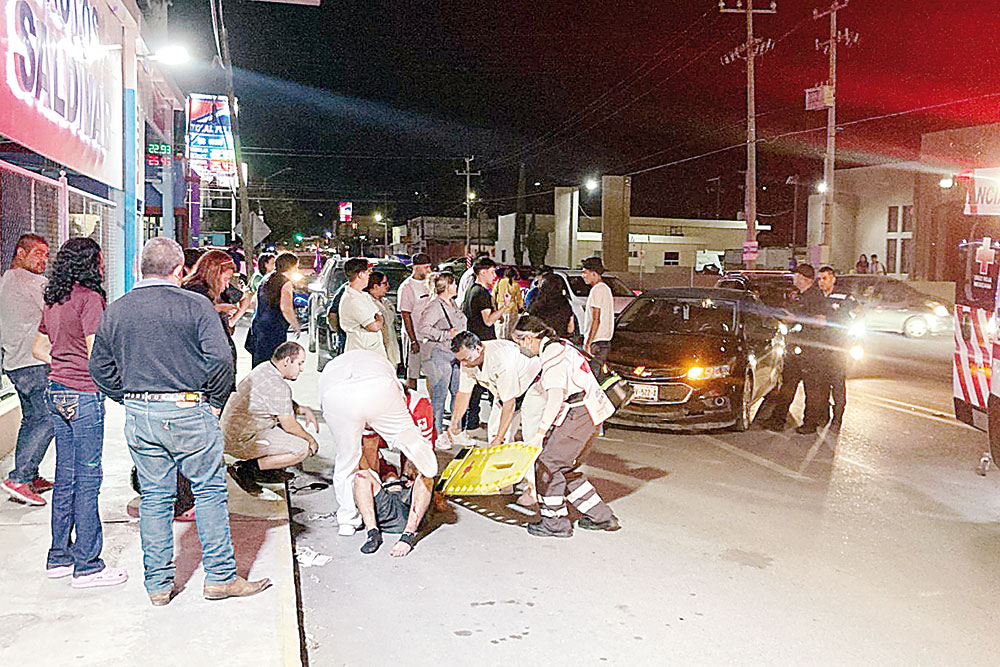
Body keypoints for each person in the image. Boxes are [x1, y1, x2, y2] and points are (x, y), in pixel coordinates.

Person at [89, 237, 269, 606]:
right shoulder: (196, 305)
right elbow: (221, 360)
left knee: (155, 498)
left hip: (142, 414)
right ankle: (219, 577)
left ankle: (157, 585)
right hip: (190, 409)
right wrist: (216, 402)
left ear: (141, 268)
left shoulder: (117, 309)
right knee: (208, 492)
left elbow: (99, 367)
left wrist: (126, 396)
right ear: (178, 270)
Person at [31, 237, 126, 587]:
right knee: (88, 480)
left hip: (56, 391)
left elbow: (39, 347)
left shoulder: (54, 298)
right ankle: (88, 565)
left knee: (65, 479)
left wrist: (61, 362)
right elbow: (94, 354)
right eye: (100, 259)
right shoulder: (90, 299)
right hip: (84, 395)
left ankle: (59, 556)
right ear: (91, 263)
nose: (103, 265)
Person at [511, 315, 620, 538]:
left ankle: (555, 523)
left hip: (579, 414)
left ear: (530, 338)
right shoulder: (563, 344)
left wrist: (540, 433)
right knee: (564, 468)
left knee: (547, 466)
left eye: (519, 342)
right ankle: (601, 516)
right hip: (591, 412)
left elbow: (555, 397)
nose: (519, 348)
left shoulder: (552, 355)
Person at [317, 350, 438, 539]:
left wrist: (375, 481)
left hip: (335, 394)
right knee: (404, 431)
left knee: (346, 459)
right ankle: (423, 459)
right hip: (379, 386)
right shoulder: (383, 365)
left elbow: (368, 446)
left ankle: (348, 521)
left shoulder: (332, 368)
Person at [222, 342, 319, 496]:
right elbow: (290, 426)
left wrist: (302, 409)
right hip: (240, 440)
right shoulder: (278, 385)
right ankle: (246, 468)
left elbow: (276, 403)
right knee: (301, 448)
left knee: (284, 432)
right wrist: (312, 440)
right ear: (287, 361)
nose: (301, 369)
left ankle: (264, 470)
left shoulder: (265, 368)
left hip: (234, 432)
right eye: (300, 363)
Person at [0, 233, 54, 506]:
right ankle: (19, 478)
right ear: (20, 252)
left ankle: (29, 475)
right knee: (47, 419)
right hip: (34, 363)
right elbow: (55, 310)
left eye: (46, 254)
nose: (43, 259)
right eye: (38, 253)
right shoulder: (30, 282)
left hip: (16, 364)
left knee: (32, 419)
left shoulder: (6, 280)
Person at [759, 263, 832, 435]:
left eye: (795, 275)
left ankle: (810, 423)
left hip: (810, 351)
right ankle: (777, 420)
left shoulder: (815, 296)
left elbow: (820, 322)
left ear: (802, 278)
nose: (793, 278)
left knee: (811, 388)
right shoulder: (802, 296)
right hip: (796, 349)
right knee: (788, 386)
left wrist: (796, 318)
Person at [447, 331, 543, 448]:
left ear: (478, 349)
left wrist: (499, 438)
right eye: (460, 360)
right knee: (494, 432)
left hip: (533, 383)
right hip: (506, 389)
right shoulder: (468, 361)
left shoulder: (500, 359)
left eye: (466, 359)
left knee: (530, 434)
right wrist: (454, 423)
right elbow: (464, 393)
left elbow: (509, 403)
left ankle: (533, 465)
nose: (464, 364)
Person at [417, 272, 466, 443]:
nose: (456, 287)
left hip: (454, 355)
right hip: (439, 354)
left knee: (457, 393)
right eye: (453, 284)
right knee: (440, 395)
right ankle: (437, 433)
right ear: (446, 287)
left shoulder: (452, 303)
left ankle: (455, 430)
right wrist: (445, 335)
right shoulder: (435, 306)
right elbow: (423, 328)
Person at [353, 458, 433, 557]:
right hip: (386, 506)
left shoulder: (411, 479)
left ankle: (407, 536)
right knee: (361, 476)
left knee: (426, 476)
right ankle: (372, 532)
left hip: (409, 509)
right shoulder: (383, 481)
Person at [461, 256, 503, 430]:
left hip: (474, 341)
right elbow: (488, 320)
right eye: (492, 272)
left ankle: (471, 422)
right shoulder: (481, 293)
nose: (494, 275)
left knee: (475, 386)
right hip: (483, 343)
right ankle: (493, 423)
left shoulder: (471, 290)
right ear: (483, 272)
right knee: (489, 385)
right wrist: (504, 307)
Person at [817, 266, 855, 430]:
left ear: (833, 279)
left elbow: (855, 313)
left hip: (838, 346)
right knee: (821, 382)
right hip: (820, 347)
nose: (821, 282)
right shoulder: (816, 296)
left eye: (825, 278)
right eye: (819, 279)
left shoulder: (844, 296)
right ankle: (823, 415)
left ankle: (837, 418)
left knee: (837, 382)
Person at [247, 252, 300, 367]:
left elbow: (254, 302)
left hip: (258, 326)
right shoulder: (285, 283)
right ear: (291, 267)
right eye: (296, 267)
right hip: (274, 328)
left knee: (259, 365)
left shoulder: (266, 279)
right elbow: (286, 308)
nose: (297, 269)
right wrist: (295, 325)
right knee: (273, 363)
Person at [398, 253, 432, 391]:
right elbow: (406, 315)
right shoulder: (407, 287)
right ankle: (411, 404)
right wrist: (413, 340)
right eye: (426, 267)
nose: (429, 271)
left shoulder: (430, 283)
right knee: (413, 374)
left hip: (430, 336)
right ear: (416, 268)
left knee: (431, 373)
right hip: (416, 336)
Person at [339, 257, 385, 355]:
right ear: (360, 275)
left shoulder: (363, 295)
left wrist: (378, 317)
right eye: (368, 272)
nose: (369, 276)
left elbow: (378, 315)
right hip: (362, 353)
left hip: (372, 352)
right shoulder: (353, 300)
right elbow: (374, 326)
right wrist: (379, 319)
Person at [581, 256, 614, 365]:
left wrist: (588, 343)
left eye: (585, 272)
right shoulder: (605, 288)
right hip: (604, 341)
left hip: (596, 342)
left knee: (592, 377)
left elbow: (596, 319)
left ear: (594, 274)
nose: (583, 276)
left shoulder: (597, 290)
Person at [366, 270, 400, 370]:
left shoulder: (386, 302)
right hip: (376, 350)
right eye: (384, 283)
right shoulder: (367, 302)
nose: (388, 286)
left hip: (390, 348)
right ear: (375, 286)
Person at [527, 273, 576, 339]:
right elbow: (570, 328)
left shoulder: (536, 303)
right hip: (559, 339)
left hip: (540, 340)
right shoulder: (565, 303)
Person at [493, 267, 524, 339]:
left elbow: (493, 294)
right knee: (510, 329)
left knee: (500, 328)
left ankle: (500, 341)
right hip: (513, 309)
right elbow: (519, 299)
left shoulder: (499, 282)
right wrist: (521, 307)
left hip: (501, 308)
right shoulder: (516, 285)